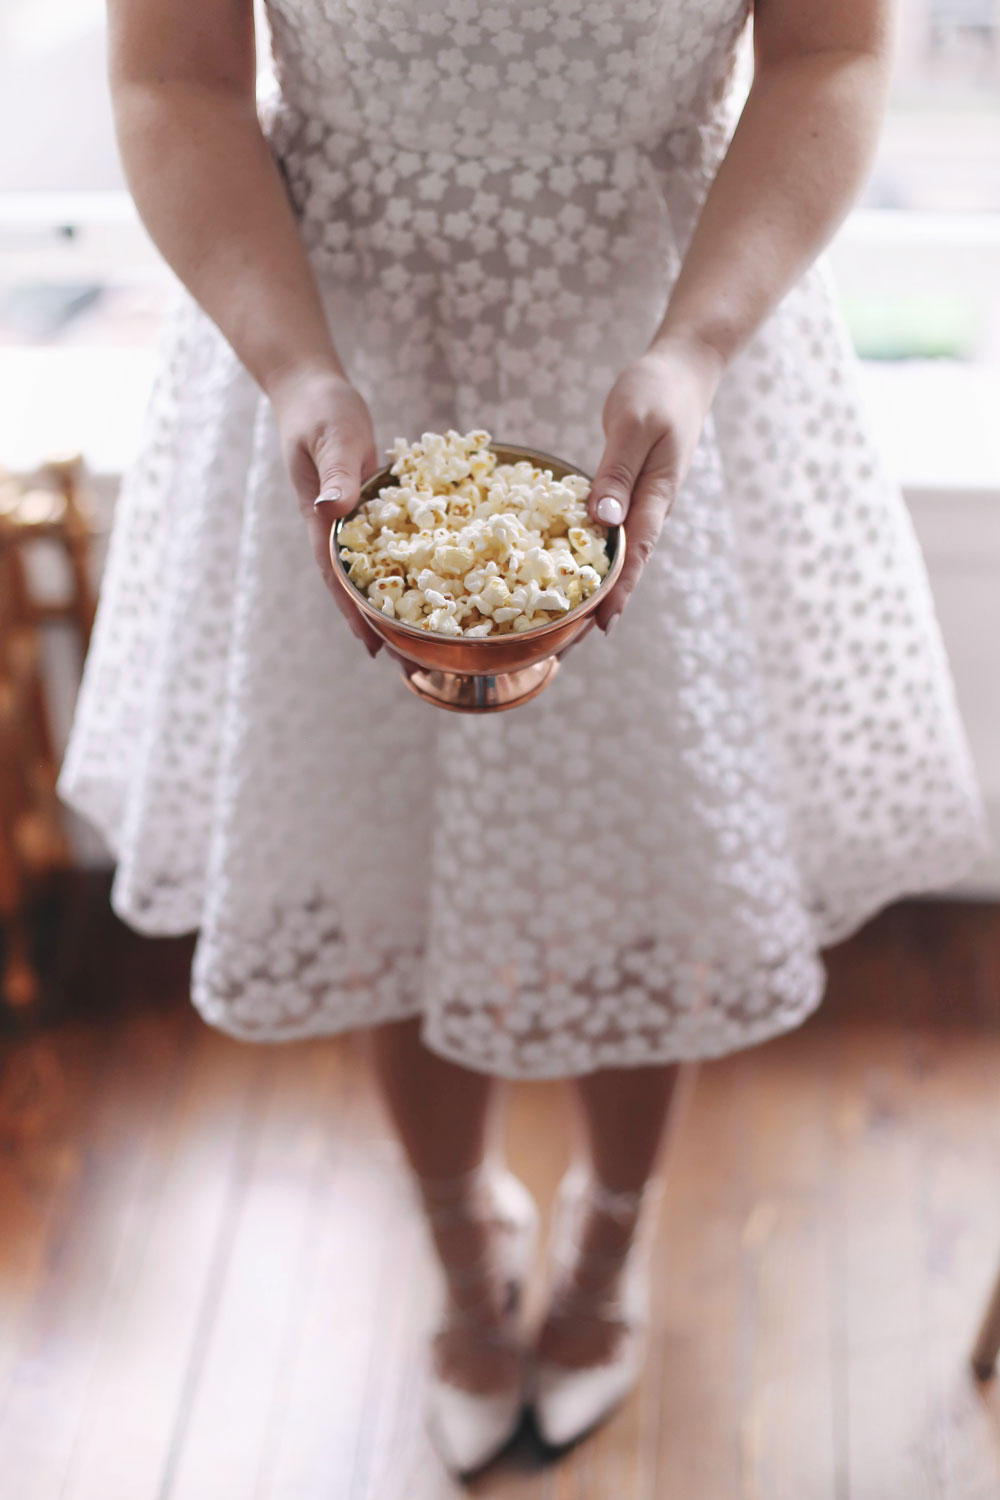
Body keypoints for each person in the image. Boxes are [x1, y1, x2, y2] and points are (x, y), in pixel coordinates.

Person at [58, 0, 991, 1476]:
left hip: (663, 316)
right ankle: (458, 1245)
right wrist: (298, 370)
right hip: (328, 319)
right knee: (376, 835)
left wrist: (694, 349)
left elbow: (834, 50)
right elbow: (173, 75)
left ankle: (607, 1251)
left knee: (646, 834)